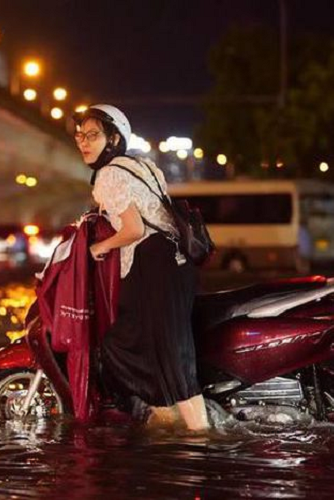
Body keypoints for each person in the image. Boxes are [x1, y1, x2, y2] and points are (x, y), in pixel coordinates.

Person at [72, 104, 210, 432]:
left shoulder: (107, 176)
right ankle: (171, 424)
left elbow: (133, 229)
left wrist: (99, 247)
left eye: (93, 135)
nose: (83, 143)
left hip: (152, 265)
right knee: (169, 350)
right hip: (177, 264)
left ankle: (198, 438)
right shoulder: (143, 165)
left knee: (125, 346)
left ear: (114, 138)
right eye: (80, 136)